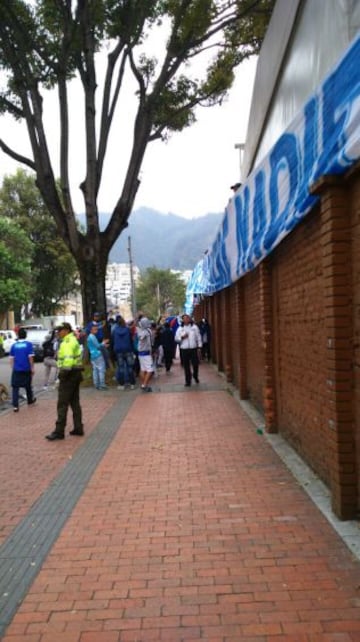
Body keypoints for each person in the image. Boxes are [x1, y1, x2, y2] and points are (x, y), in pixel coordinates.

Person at [45, 322, 84, 441]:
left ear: (66, 330)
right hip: (76, 374)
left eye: (60, 330)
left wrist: (61, 376)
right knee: (75, 403)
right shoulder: (73, 339)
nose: (58, 332)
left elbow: (67, 363)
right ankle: (78, 428)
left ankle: (59, 431)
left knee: (62, 404)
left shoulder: (66, 343)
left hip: (68, 375)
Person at [9, 328, 36, 412]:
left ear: (18, 336)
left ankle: (15, 406)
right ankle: (30, 400)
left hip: (17, 369)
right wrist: (32, 368)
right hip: (26, 368)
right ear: (25, 335)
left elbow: (11, 359)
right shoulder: (28, 345)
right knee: (28, 385)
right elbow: (30, 357)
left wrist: (13, 367)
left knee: (15, 387)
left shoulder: (14, 346)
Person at [175, 314, 202, 387]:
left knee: (195, 364)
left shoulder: (194, 327)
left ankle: (195, 376)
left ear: (189, 319)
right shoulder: (180, 329)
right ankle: (188, 380)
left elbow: (198, 337)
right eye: (184, 318)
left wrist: (199, 346)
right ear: (182, 320)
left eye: (187, 318)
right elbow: (176, 338)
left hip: (193, 348)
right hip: (184, 349)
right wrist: (182, 337)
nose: (186, 320)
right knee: (186, 366)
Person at [111, 316, 136, 390]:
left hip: (118, 351)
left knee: (121, 367)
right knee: (130, 367)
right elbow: (131, 340)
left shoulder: (114, 331)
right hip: (128, 350)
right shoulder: (127, 330)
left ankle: (121, 384)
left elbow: (113, 341)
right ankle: (132, 384)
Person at [87, 322, 108, 390]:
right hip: (98, 355)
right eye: (95, 329)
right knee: (101, 370)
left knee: (95, 370)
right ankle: (102, 384)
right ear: (91, 330)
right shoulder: (92, 337)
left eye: (96, 329)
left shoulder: (89, 337)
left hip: (92, 355)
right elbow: (98, 346)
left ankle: (96, 384)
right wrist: (103, 343)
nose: (96, 330)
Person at [136, 315, 154, 392]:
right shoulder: (146, 332)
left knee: (143, 369)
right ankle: (144, 385)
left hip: (140, 353)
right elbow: (147, 341)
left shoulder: (141, 331)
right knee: (150, 370)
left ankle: (144, 384)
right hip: (146, 353)